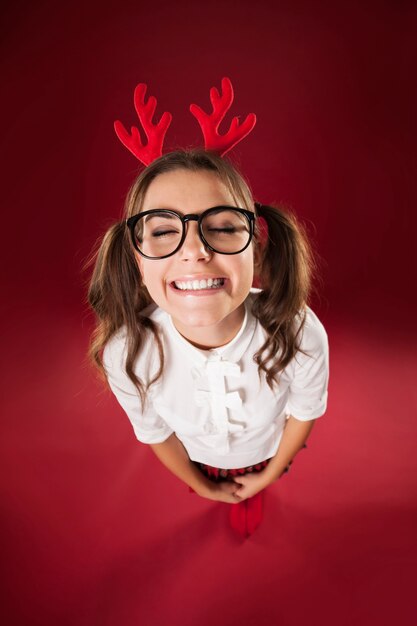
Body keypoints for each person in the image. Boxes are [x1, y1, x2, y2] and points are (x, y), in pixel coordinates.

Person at [87, 149, 329, 538]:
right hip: (198, 461)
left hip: (267, 453)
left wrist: (269, 475)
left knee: (251, 494)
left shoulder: (299, 332)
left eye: (223, 227)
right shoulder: (125, 352)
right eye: (164, 231)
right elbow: (155, 432)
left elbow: (305, 411)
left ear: (254, 244)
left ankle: (253, 499)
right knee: (216, 491)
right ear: (136, 257)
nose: (195, 250)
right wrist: (203, 485)